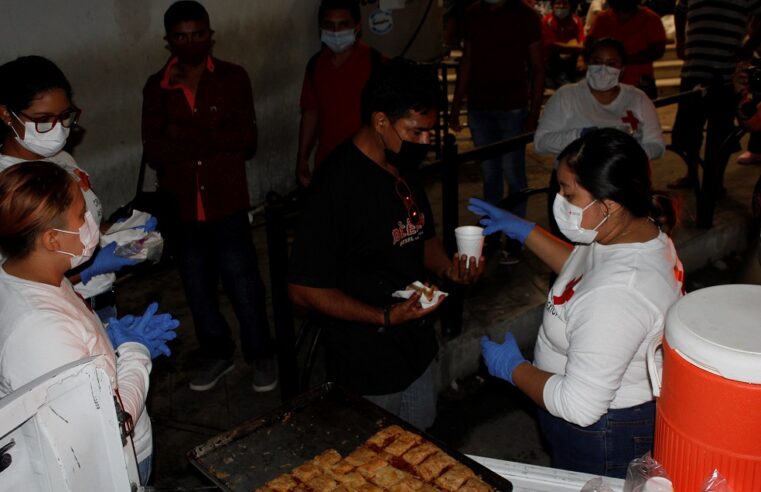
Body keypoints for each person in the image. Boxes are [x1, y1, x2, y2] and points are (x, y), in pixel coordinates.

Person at [470, 129, 684, 478]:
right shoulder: (634, 231)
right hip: (602, 420)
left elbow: (579, 405)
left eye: (568, 192)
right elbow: (586, 270)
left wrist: (512, 368)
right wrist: (525, 230)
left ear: (609, 205)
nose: (559, 199)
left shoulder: (619, 294)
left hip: (602, 432)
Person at [288, 59, 484, 430]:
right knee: (376, 464)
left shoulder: (401, 163)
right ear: (380, 122)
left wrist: (448, 269)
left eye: (431, 131)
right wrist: (384, 316)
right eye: (417, 131)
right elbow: (303, 290)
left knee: (421, 443)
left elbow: (420, 235)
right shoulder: (337, 186)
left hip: (416, 351)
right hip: (366, 363)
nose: (426, 141)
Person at [0, 161, 180, 485]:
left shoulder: (31, 276)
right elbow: (108, 426)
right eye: (82, 215)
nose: (92, 223)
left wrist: (106, 338)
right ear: (52, 239)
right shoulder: (40, 332)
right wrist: (136, 355)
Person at [141, 0, 275, 392]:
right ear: (168, 41)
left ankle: (261, 354)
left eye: (197, 34)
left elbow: (246, 140)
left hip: (226, 202)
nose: (190, 42)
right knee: (196, 287)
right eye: (181, 36)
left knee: (244, 282)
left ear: (210, 34)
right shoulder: (157, 87)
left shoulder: (233, 78)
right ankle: (218, 354)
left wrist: (184, 134)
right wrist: (212, 138)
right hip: (181, 207)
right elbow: (155, 151)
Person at [0, 55, 143, 321]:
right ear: (6, 114)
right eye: (43, 120)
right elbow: (13, 276)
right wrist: (89, 266)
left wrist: (119, 229)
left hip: (97, 300)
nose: (58, 130)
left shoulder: (61, 159)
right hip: (55, 312)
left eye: (65, 117)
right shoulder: (7, 181)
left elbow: (70, 226)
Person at [449, 0, 544, 230]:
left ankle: (516, 233)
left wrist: (533, 113)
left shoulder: (526, 15)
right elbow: (467, 59)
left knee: (513, 173)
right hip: (479, 107)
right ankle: (492, 227)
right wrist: (456, 104)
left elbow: (538, 66)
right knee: (489, 173)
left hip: (512, 107)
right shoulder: (473, 13)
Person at [668, 0, 761, 225]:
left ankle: (715, 182)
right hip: (693, 68)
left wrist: (748, 47)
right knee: (688, 130)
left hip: (726, 75)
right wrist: (681, 40)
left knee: (720, 133)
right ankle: (692, 174)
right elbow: (679, 10)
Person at [296, 0, 385, 187]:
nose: (336, 32)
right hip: (328, 166)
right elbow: (311, 112)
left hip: (369, 166)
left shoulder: (377, 64)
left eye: (343, 25)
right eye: (330, 26)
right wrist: (302, 158)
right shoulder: (316, 66)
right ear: (321, 28)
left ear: (357, 26)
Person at [534, 38, 665, 161]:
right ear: (587, 63)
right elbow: (541, 143)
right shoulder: (566, 96)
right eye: (597, 62)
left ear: (622, 68)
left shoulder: (638, 98)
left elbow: (657, 145)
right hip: (575, 178)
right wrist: (582, 136)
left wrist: (624, 152)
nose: (603, 68)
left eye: (611, 63)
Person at [586, 0, 666, 99]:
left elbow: (658, 50)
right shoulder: (602, 19)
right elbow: (589, 47)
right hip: (606, 87)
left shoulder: (651, 18)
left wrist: (626, 59)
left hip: (640, 86)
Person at [541, 0, 585, 88]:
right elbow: (551, 45)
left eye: (565, 3)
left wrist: (581, 58)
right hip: (552, 61)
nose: (561, 6)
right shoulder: (546, 20)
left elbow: (582, 42)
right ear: (553, 5)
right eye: (558, 3)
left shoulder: (576, 20)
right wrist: (575, 47)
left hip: (571, 60)